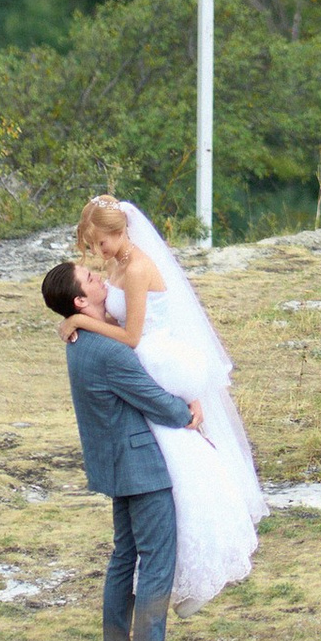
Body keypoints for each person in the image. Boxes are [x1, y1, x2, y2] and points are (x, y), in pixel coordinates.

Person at [72, 194, 265, 611]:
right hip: (139, 360)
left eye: (101, 244)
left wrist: (80, 320)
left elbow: (132, 336)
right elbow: (115, 318)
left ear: (120, 232)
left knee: (178, 457)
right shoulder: (116, 263)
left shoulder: (139, 267)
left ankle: (190, 563)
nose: (97, 254)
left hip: (152, 358)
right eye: (93, 246)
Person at [41, 255, 208, 641]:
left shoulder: (79, 340)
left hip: (115, 465)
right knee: (156, 565)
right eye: (92, 279)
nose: (101, 279)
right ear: (81, 299)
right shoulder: (110, 350)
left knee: (124, 561)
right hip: (141, 469)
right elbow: (154, 400)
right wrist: (187, 411)